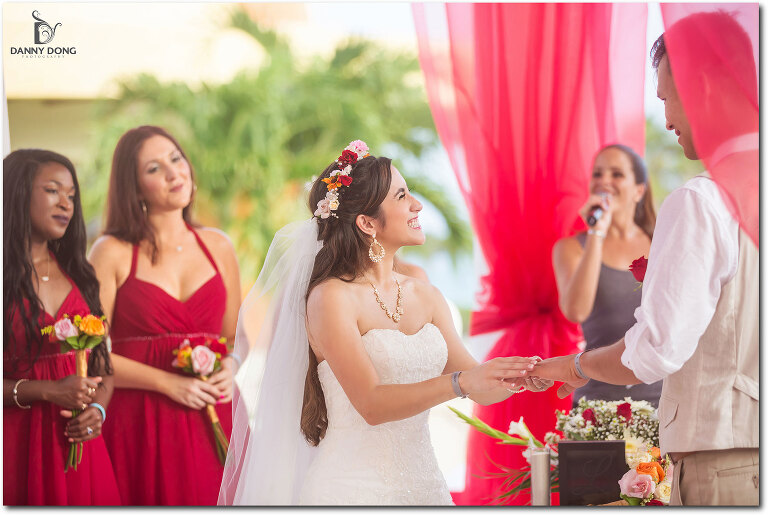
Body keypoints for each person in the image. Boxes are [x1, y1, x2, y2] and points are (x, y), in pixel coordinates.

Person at [219, 141, 552, 505]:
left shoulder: (423, 292)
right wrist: (461, 383)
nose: (418, 205)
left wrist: (532, 376)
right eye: (402, 196)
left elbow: (480, 384)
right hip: (352, 490)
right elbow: (372, 403)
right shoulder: (331, 298)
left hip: (426, 487)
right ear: (367, 223)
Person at [533, 14, 758, 506]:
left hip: (724, 462)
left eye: (664, 98)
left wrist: (573, 366)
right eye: (598, 174)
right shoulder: (575, 244)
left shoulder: (700, 203)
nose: (667, 119)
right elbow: (575, 309)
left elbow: (654, 350)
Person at [89, 126, 242, 505]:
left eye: (176, 159)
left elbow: (234, 337)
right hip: (139, 418)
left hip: (214, 412)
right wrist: (167, 384)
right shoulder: (111, 251)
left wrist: (233, 365)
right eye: (154, 169)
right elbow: (91, 351)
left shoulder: (218, 245)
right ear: (134, 186)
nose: (175, 173)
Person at [3, 149, 120, 505]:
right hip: (15, 446)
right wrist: (47, 391)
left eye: (71, 195)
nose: (65, 203)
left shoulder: (80, 273)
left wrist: (97, 410)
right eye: (52, 190)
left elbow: (103, 367)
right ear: (18, 191)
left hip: (79, 448)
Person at [552, 144, 660, 407]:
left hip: (663, 404)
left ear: (639, 190)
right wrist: (596, 235)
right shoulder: (570, 248)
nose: (605, 181)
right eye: (598, 174)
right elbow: (575, 311)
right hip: (597, 406)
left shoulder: (662, 242)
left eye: (617, 174)